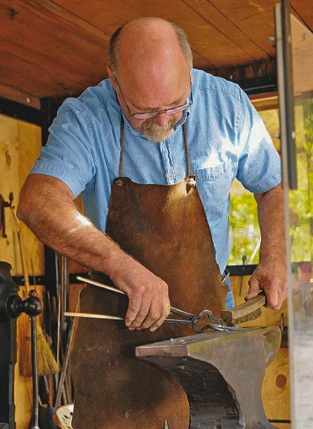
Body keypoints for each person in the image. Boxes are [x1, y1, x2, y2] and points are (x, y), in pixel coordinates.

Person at [17, 17, 287, 428]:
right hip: (121, 347)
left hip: (208, 330)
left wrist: (274, 255)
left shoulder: (227, 105)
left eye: (176, 106)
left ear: (190, 69)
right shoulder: (86, 118)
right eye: (142, 110)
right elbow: (39, 201)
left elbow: (273, 187)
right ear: (114, 80)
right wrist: (121, 266)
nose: (161, 121)